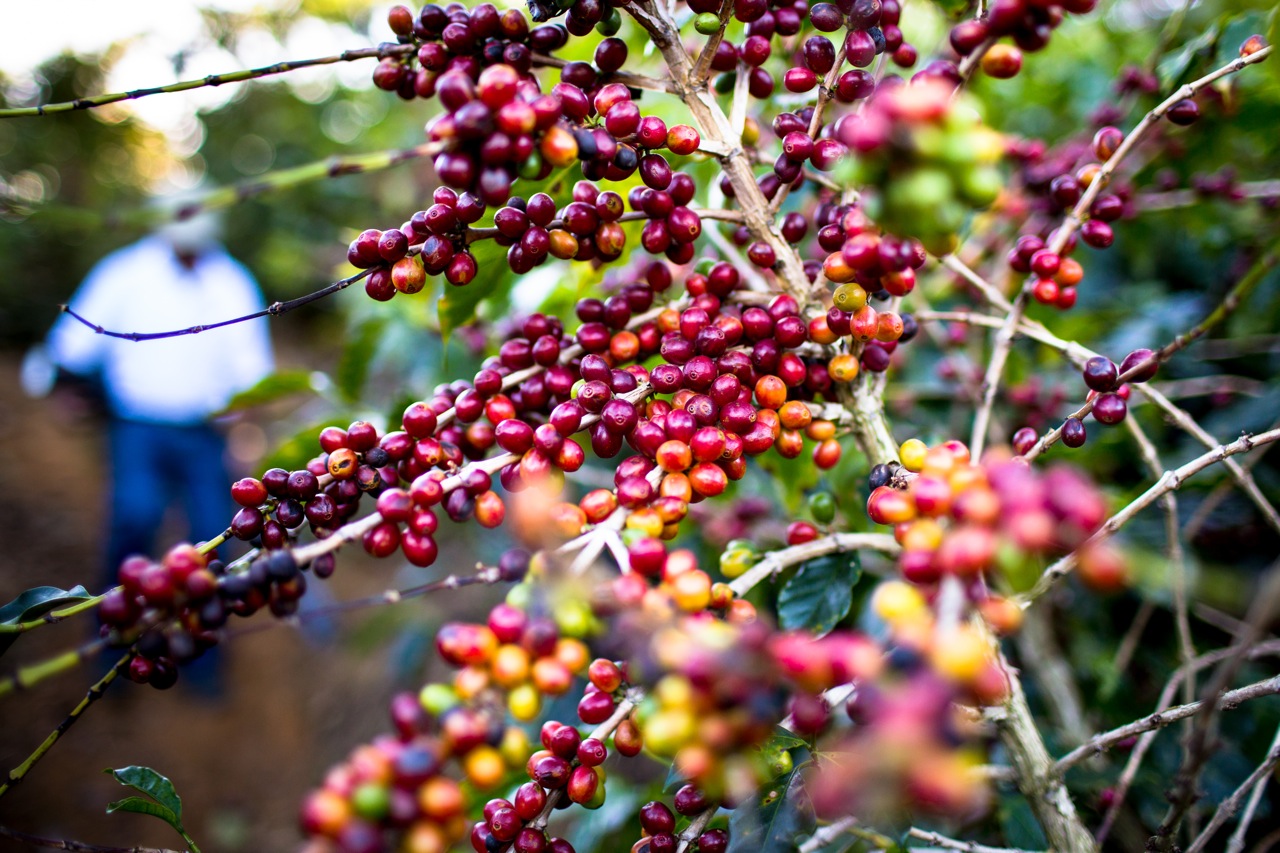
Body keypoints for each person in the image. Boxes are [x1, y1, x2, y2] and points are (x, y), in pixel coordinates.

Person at [37, 202, 274, 647]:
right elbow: (74, 343)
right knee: (133, 518)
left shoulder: (231, 282)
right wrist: (64, 388)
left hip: (204, 434)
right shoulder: (125, 273)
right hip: (136, 429)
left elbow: (251, 368)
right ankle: (112, 640)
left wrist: (242, 427)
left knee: (212, 535)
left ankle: (203, 652)